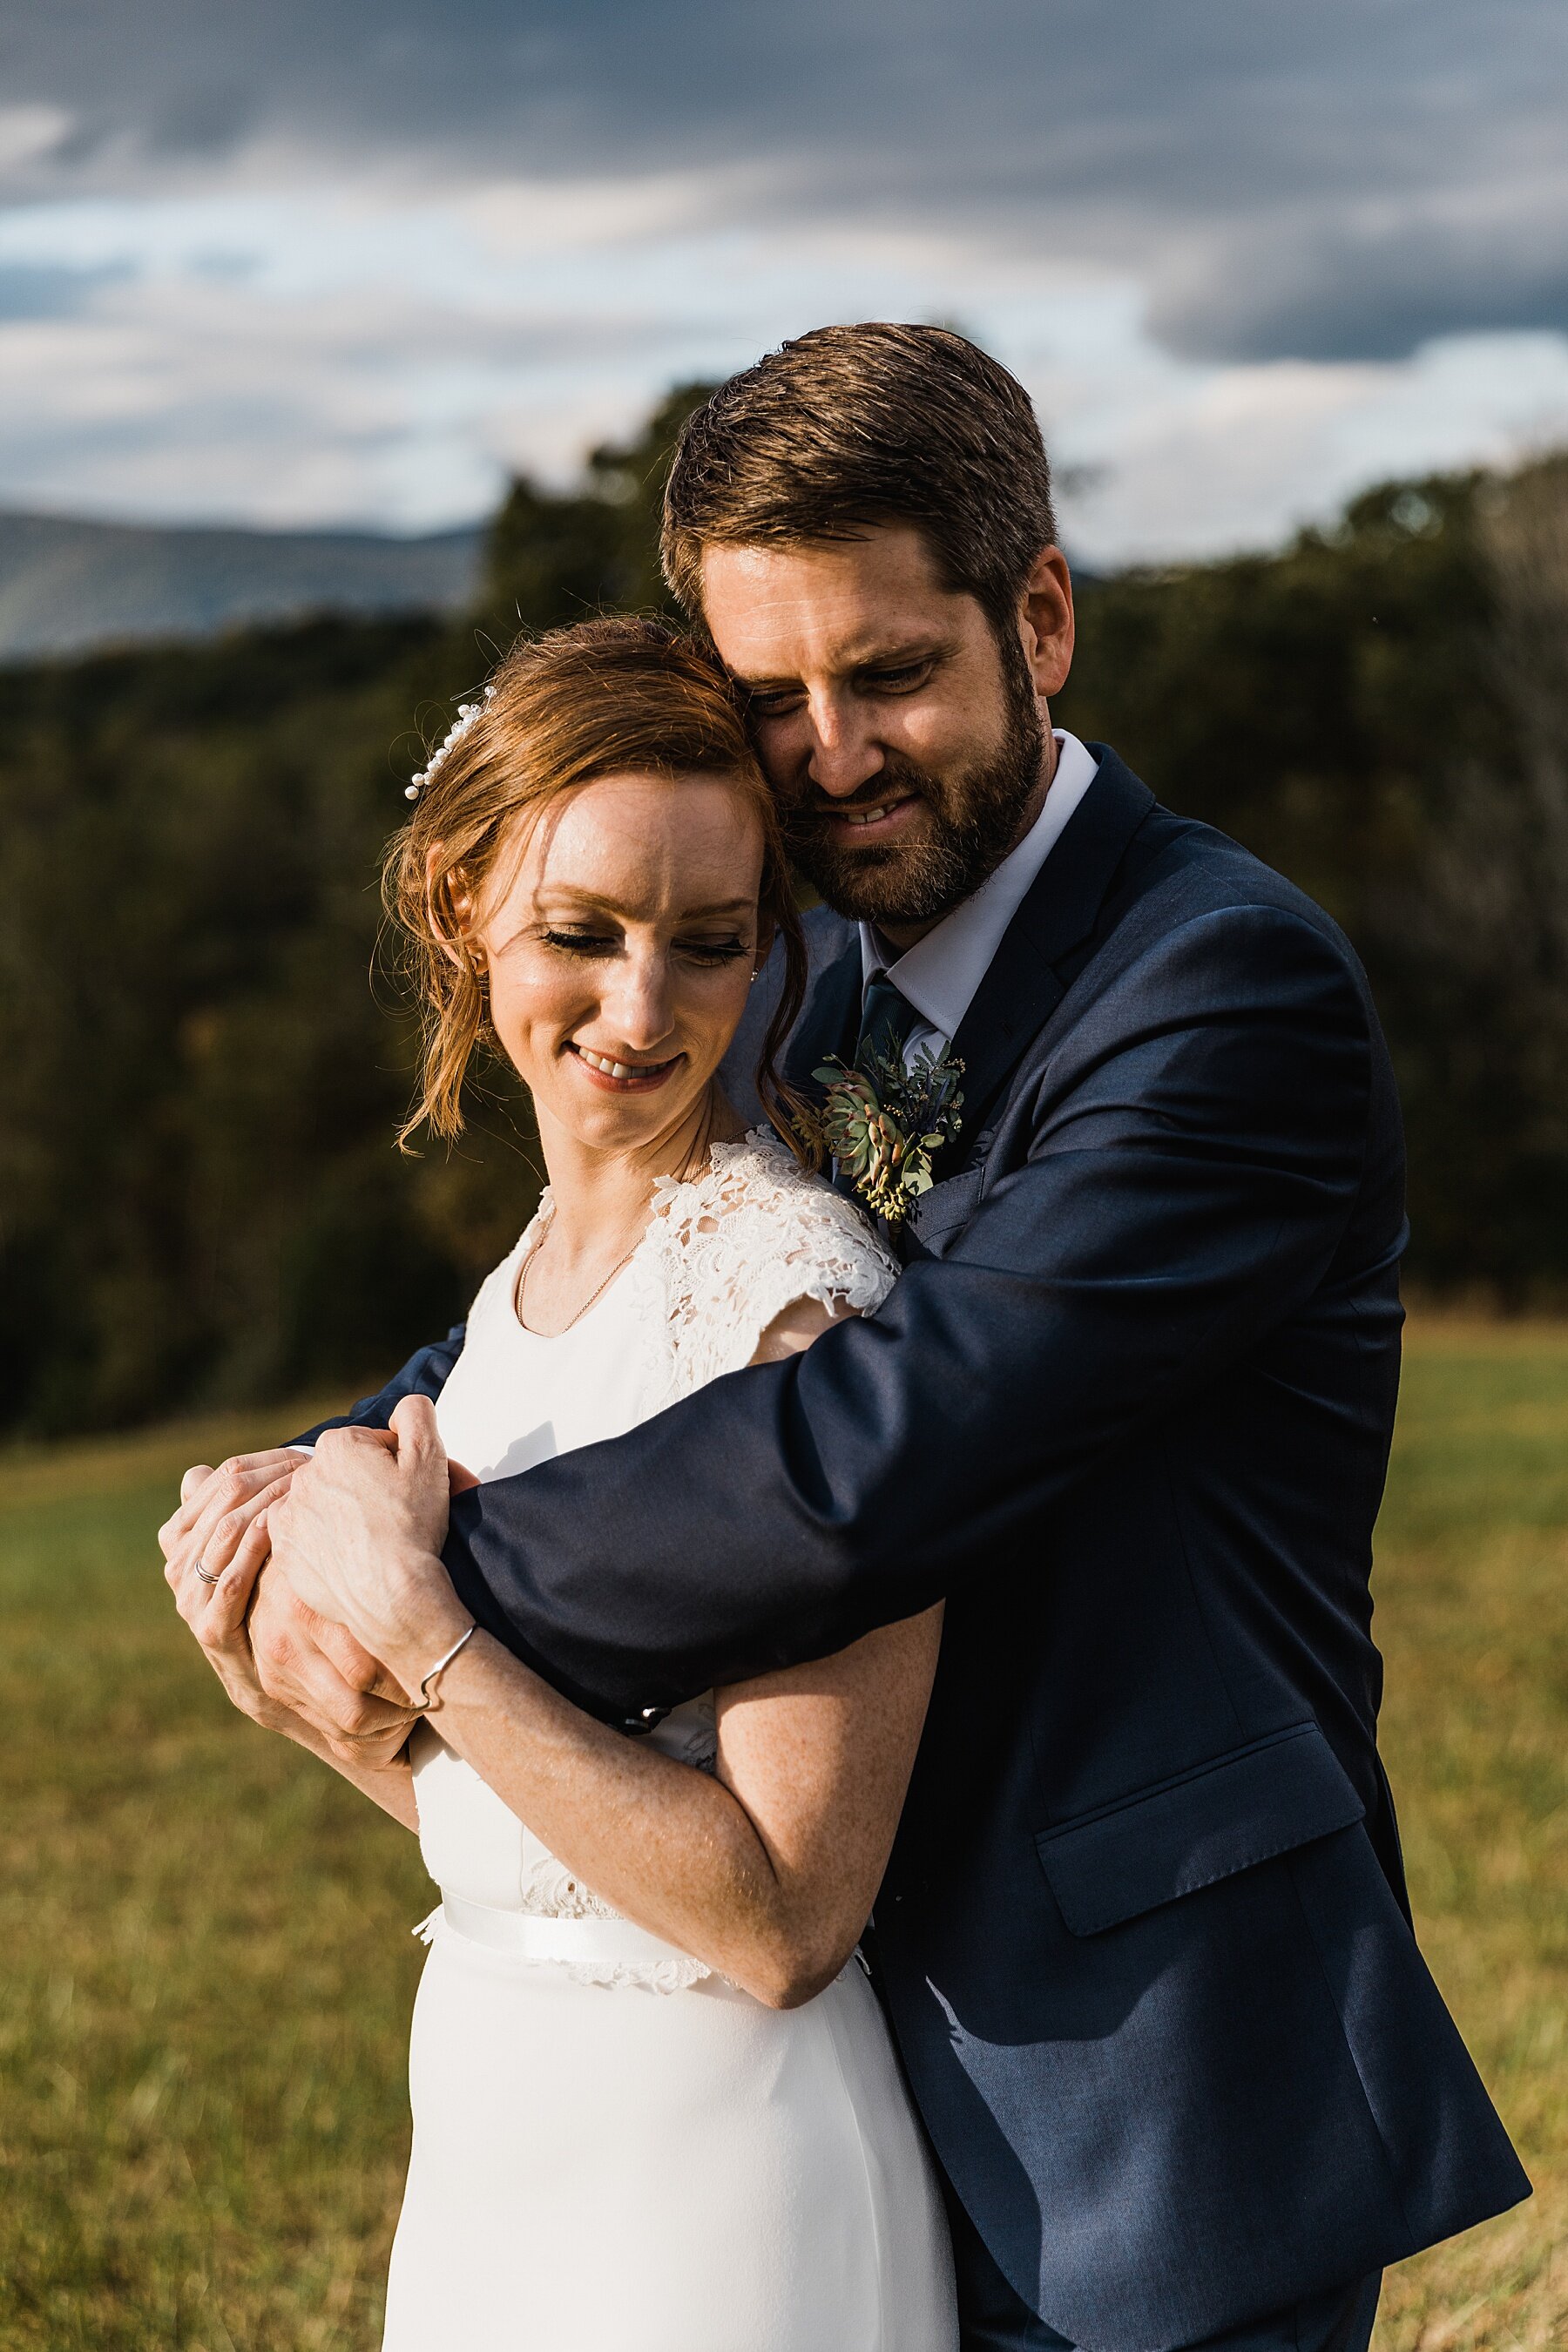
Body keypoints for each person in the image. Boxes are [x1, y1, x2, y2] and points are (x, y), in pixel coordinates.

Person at [166, 326, 1529, 2352]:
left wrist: (408, 1586)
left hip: (1137, 2071)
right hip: (809, 2061)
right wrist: (324, 1481)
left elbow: (874, 1453)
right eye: (769, 696)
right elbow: (612, 1300)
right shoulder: (781, 971)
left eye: (888, 673)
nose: (826, 753)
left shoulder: (1222, 990)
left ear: (1039, 621)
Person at [163, 618, 959, 2350]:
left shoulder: (791, 1300)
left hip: (724, 2181)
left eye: (708, 943)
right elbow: (544, 1853)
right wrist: (306, 1707)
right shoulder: (511, 1299)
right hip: (498, 2118)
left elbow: (782, 1918)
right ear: (464, 909)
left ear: (773, 951)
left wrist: (417, 1633)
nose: (638, 1007)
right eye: (579, 935)